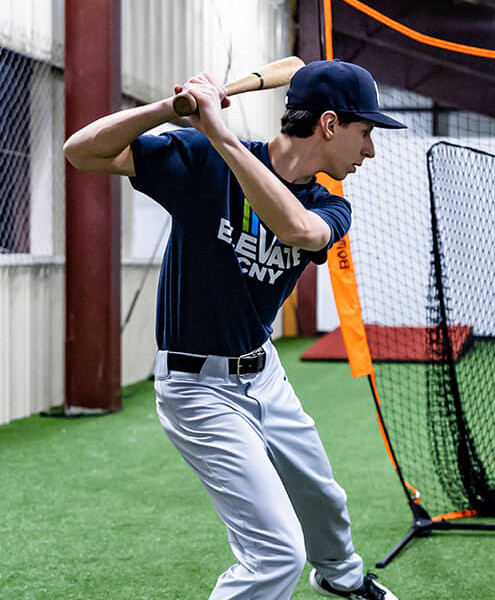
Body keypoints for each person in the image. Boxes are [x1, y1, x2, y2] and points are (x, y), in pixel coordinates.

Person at [63, 59, 405, 600]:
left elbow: (297, 230)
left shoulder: (326, 202)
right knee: (276, 554)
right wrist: (165, 109)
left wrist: (221, 137)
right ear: (330, 124)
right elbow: (81, 152)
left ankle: (341, 577)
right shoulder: (200, 160)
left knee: (324, 497)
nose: (370, 151)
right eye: (366, 134)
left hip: (263, 372)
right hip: (196, 388)